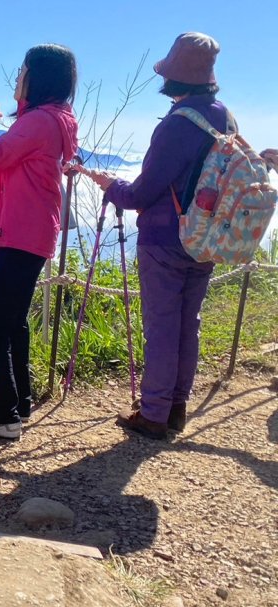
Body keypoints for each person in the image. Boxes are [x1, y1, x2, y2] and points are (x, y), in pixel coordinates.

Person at [90, 32, 226, 440]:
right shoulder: (224, 117)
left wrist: (111, 186)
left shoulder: (177, 125)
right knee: (189, 323)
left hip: (166, 239)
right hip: (207, 238)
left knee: (163, 326)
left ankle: (152, 413)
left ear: (174, 79)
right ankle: (175, 408)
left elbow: (142, 193)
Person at [0, 44, 79, 440]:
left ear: (38, 77)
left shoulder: (39, 122)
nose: (17, 76)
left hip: (21, 232)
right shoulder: (52, 119)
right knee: (12, 324)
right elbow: (0, 157)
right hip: (33, 231)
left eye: (23, 70)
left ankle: (1, 415)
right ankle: (18, 402)